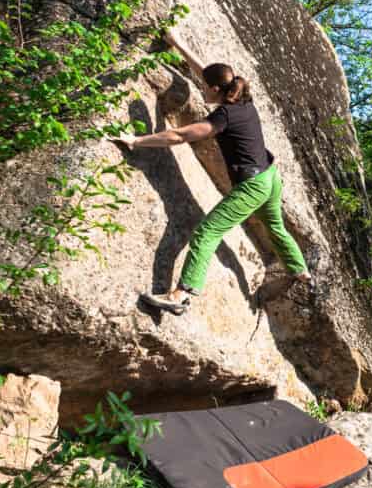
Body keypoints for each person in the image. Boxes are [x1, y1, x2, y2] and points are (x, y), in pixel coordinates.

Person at [114, 30, 310, 315]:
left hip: (253, 185)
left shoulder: (223, 116)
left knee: (207, 232)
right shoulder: (242, 98)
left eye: (206, 88)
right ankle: (300, 271)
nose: (202, 90)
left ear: (217, 90)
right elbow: (206, 73)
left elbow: (180, 136)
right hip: (270, 177)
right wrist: (179, 44)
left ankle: (181, 294)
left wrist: (137, 140)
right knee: (275, 226)